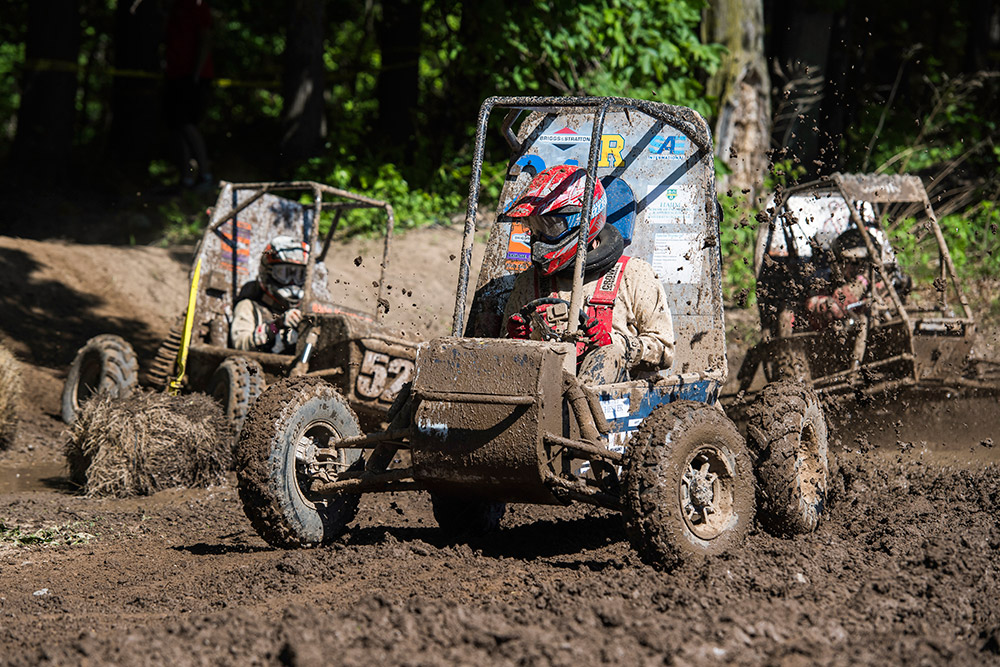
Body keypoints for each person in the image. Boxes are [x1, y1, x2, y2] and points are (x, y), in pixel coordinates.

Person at [500, 165, 674, 385]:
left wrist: (614, 343)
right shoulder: (528, 282)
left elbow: (665, 351)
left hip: (616, 399)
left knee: (608, 354)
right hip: (544, 394)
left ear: (582, 220)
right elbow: (503, 357)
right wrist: (517, 341)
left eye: (549, 227)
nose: (539, 239)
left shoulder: (634, 274)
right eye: (534, 228)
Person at [164, 0, 214, 189]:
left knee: (186, 124)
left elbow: (206, 37)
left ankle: (205, 176)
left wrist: (196, 73)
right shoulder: (175, 8)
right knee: (176, 125)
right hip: (175, 75)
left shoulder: (198, 6)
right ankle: (186, 178)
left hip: (193, 76)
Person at [230, 236, 308, 354]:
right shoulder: (249, 307)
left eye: (299, 275)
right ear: (267, 272)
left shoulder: (303, 311)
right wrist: (275, 326)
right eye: (283, 273)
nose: (292, 282)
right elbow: (240, 344)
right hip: (256, 369)